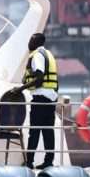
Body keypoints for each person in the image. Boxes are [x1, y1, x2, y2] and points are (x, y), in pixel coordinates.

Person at [11, 33, 59, 169]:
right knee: (48, 131)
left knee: (35, 131)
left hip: (40, 99)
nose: (29, 42)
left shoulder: (37, 55)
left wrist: (20, 89)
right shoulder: (48, 54)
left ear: (37, 41)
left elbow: (39, 79)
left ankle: (29, 162)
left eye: (31, 39)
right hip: (51, 98)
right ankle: (48, 161)